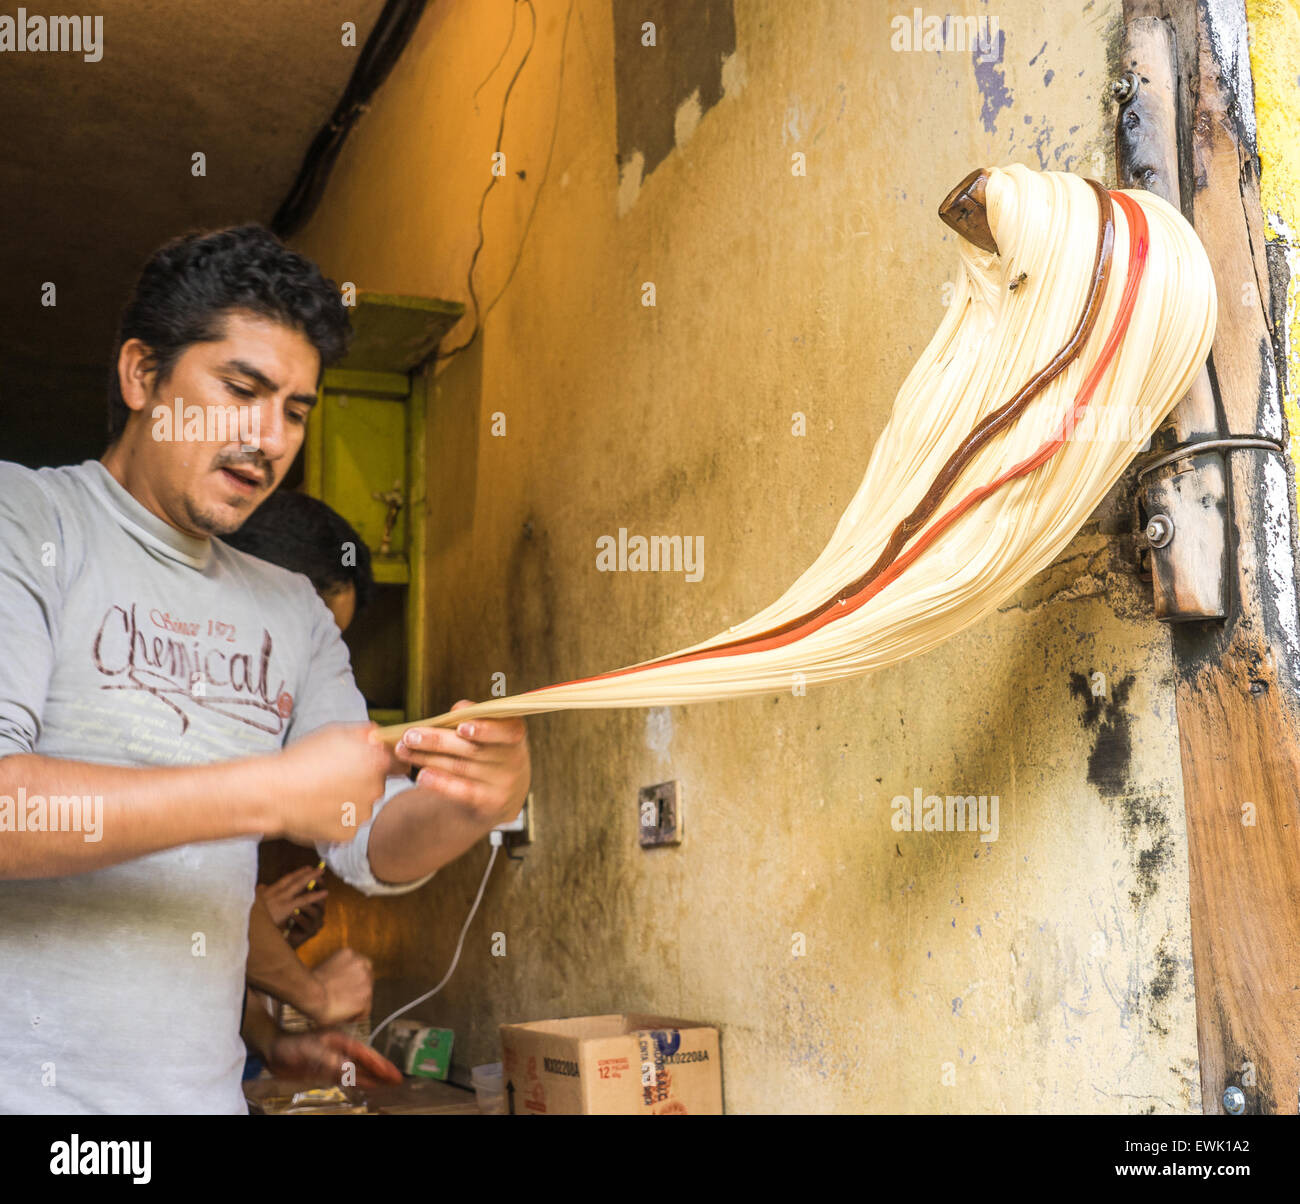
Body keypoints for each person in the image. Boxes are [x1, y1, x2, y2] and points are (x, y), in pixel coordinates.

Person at [0, 224, 530, 1113]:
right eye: (241, 389)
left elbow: (368, 838)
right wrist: (269, 793)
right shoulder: (29, 522)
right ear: (142, 376)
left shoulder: (292, 609)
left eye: (294, 410)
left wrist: (472, 805)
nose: (267, 438)